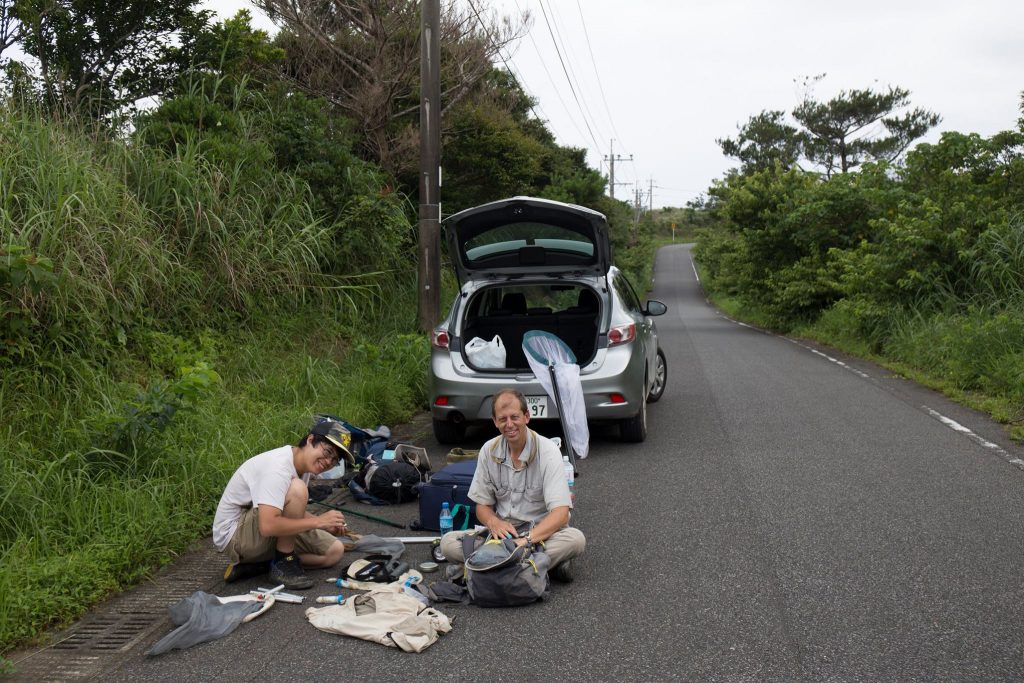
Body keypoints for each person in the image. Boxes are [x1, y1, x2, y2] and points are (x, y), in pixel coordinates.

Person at [439, 389, 586, 582]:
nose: (509, 424)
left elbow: (560, 513)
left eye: (514, 417)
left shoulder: (548, 452)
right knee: (447, 543)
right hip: (502, 537)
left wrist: (524, 541)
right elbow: (482, 506)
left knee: (575, 540)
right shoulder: (488, 451)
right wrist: (494, 522)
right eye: (503, 419)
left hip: (538, 535)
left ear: (526, 416)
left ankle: (486, 566)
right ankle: (534, 567)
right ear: (495, 421)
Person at [212, 419, 355, 590]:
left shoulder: (303, 466)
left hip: (258, 528)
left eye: (334, 459)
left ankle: (263, 566)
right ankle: (283, 564)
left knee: (334, 552)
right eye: (327, 451)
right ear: (310, 440)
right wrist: (319, 522)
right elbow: (268, 526)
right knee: (297, 489)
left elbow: (289, 510)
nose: (328, 461)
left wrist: (326, 525)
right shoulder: (278, 467)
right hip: (235, 537)